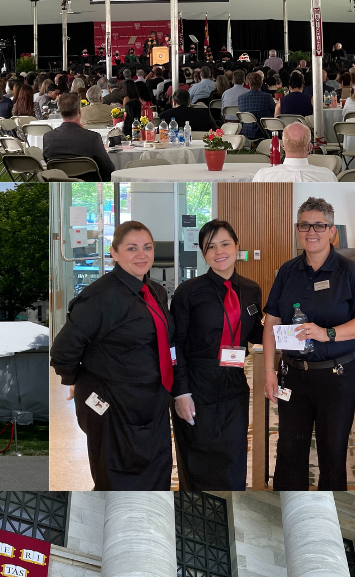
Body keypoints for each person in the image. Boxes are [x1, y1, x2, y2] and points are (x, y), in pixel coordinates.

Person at [262, 197, 355, 491]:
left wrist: (326, 333)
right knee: (289, 447)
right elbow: (271, 321)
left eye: (319, 225)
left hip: (337, 377)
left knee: (333, 451)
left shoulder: (349, 272)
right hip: (293, 376)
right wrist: (268, 372)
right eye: (304, 225)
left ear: (331, 232)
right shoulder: (287, 271)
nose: (311, 231)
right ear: (297, 229)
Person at [50, 220, 175, 491]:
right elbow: (63, 351)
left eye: (147, 247)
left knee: (156, 473)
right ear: (114, 253)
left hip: (150, 401)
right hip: (112, 404)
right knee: (119, 478)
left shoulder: (156, 292)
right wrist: (78, 379)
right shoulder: (100, 296)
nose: (141, 255)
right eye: (132, 248)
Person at [171, 219, 264, 491]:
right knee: (198, 457)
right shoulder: (188, 292)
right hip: (197, 384)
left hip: (234, 383)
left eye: (225, 244)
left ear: (237, 246)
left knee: (234, 456)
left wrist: (286, 329)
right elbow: (174, 345)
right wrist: (181, 393)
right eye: (210, 247)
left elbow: (253, 334)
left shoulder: (251, 290)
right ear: (203, 253)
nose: (219, 251)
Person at [42, 92, 115, 179]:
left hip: (60, 184)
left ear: (60, 112)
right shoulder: (92, 138)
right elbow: (108, 169)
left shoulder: (48, 138)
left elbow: (49, 165)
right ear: (79, 111)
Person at [251, 123, 327, 182]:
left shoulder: (262, 176)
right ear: (310, 147)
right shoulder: (327, 176)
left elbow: (254, 201)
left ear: (283, 147)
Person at [236, 71, 276, 142]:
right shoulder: (267, 97)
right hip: (264, 131)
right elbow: (275, 113)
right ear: (261, 83)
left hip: (246, 130)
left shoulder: (241, 98)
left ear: (248, 84)